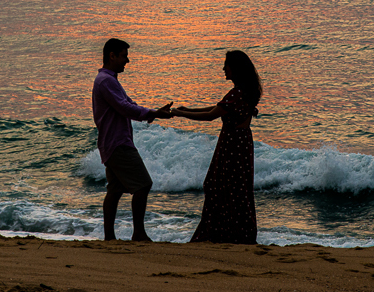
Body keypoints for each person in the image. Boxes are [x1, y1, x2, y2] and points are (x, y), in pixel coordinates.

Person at [173, 50, 262, 244]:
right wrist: (186, 110)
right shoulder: (245, 91)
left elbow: (211, 115)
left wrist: (181, 114)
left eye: (226, 64)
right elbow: (216, 109)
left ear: (235, 68)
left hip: (232, 145)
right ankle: (236, 233)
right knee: (236, 189)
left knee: (219, 187)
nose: (223, 68)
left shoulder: (237, 92)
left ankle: (220, 234)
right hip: (241, 143)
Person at [92, 38, 173, 241]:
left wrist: (154, 112)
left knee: (116, 189)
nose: (127, 61)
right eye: (123, 56)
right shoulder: (106, 81)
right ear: (112, 56)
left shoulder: (107, 80)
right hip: (118, 143)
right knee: (143, 184)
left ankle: (109, 237)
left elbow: (128, 103)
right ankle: (138, 234)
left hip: (112, 143)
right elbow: (126, 108)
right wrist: (154, 114)